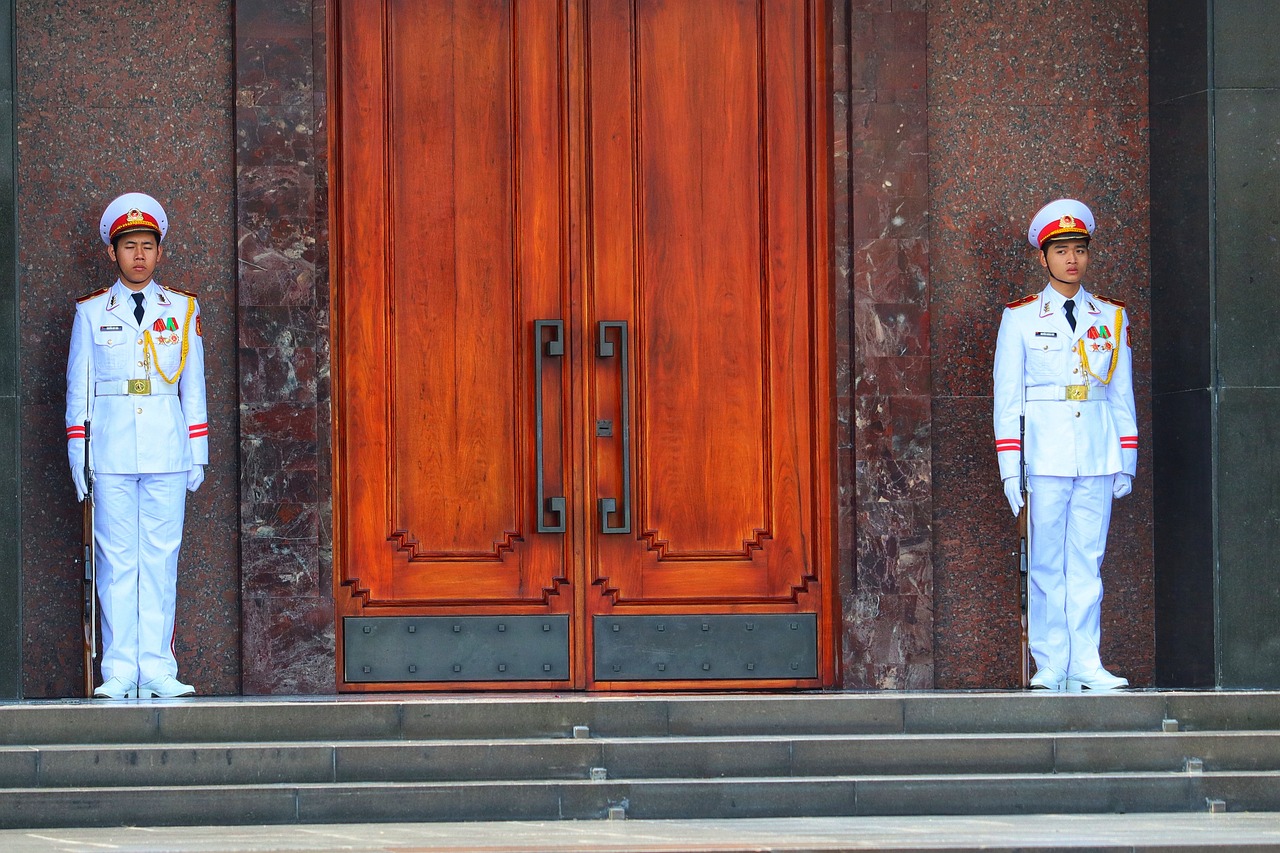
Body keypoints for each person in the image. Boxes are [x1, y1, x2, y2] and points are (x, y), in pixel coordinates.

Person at [65, 192, 208, 699]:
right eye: (129, 246)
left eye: (148, 245)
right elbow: (78, 393)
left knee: (161, 562)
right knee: (116, 562)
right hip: (110, 452)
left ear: (159, 251)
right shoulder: (91, 312)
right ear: (113, 253)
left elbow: (194, 387)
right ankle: (120, 670)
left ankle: (158, 669)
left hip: (167, 450)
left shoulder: (183, 309)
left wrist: (198, 451)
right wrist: (78, 456)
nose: (139, 255)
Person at [992, 198, 1137, 692]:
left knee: (1087, 564)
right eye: (1061, 250)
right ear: (1043, 258)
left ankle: (1087, 662)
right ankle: (1051, 662)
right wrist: (1012, 469)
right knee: (1047, 563)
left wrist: (1127, 458)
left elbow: (1121, 392)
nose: (1071, 259)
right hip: (1045, 456)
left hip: (1096, 454)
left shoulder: (1111, 316)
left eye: (1079, 249)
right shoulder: (1021, 318)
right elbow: (1008, 400)